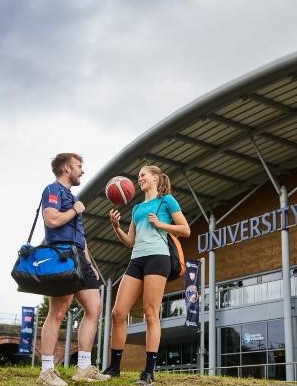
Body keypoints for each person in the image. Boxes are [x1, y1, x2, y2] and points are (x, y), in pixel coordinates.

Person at [104, 165, 191, 385]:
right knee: (118, 313)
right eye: (139, 176)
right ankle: (114, 368)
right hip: (136, 259)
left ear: (156, 178)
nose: (139, 178)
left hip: (158, 258)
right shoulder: (136, 209)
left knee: (151, 314)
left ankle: (148, 373)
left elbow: (186, 229)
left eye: (143, 175)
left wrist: (161, 224)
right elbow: (131, 241)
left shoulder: (167, 201)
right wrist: (116, 228)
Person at [36, 153, 110, 386]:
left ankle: (84, 368)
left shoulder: (72, 195)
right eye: (79, 166)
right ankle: (46, 372)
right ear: (67, 168)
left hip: (79, 256)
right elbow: (52, 220)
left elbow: (81, 237)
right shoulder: (52, 190)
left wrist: (90, 263)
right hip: (61, 256)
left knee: (94, 307)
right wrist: (75, 210)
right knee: (58, 311)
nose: (82, 170)